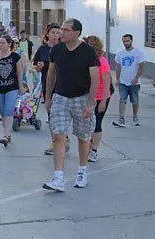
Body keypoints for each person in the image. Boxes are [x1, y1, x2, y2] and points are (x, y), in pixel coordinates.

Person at [44, 19, 100, 191]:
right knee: (59, 135)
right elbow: (51, 73)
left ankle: (82, 171)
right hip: (60, 97)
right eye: (61, 29)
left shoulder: (88, 52)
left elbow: (95, 79)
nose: (62, 33)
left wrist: (91, 103)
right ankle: (58, 177)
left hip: (82, 98)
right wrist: (48, 97)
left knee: (83, 137)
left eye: (66, 30)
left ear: (77, 32)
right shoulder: (57, 49)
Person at [33, 23, 70, 155]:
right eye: (53, 32)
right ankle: (56, 142)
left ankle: (62, 139)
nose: (55, 35)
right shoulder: (42, 49)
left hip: (62, 86)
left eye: (57, 32)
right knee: (51, 115)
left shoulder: (64, 48)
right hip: (47, 86)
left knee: (60, 115)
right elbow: (36, 68)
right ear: (47, 34)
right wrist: (39, 67)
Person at [0, 35, 23, 147]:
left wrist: (21, 86)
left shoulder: (15, 56)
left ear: (9, 44)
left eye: (3, 43)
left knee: (8, 110)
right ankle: (7, 133)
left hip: (12, 87)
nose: (1, 45)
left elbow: (19, 72)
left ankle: (6, 135)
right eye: (0, 43)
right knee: (3, 112)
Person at [84, 35, 112, 163]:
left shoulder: (102, 61)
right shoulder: (85, 60)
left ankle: (94, 150)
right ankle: (88, 145)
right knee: (87, 124)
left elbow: (107, 82)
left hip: (101, 96)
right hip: (88, 96)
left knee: (97, 124)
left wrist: (104, 101)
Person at [114, 34, 145, 127]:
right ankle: (121, 118)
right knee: (122, 99)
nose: (126, 43)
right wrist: (118, 79)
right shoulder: (120, 54)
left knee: (134, 100)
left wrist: (136, 78)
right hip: (123, 82)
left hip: (134, 82)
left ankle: (135, 117)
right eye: (124, 41)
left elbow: (141, 66)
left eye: (127, 41)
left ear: (131, 41)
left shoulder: (138, 53)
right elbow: (118, 67)